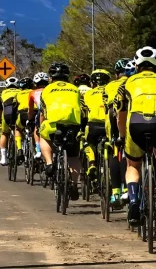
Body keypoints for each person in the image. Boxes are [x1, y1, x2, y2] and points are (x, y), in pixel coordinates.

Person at [115, 47, 156, 226]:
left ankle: (134, 201)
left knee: (133, 165)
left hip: (135, 124)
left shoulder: (126, 83)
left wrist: (121, 136)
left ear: (136, 64)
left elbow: (121, 114)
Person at [39, 63, 85, 199]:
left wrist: (40, 126)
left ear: (51, 78)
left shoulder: (46, 90)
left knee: (43, 136)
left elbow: (43, 112)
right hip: (73, 125)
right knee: (73, 156)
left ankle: (48, 163)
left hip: (53, 124)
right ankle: (74, 183)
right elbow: (82, 109)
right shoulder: (75, 89)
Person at [103, 59, 130, 209]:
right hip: (134, 117)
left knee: (116, 152)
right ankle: (129, 188)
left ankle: (115, 193)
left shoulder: (109, 87)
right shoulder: (135, 82)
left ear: (116, 74)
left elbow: (107, 108)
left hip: (115, 118)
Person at [81, 69, 111, 187]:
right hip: (108, 125)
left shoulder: (87, 94)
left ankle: (92, 163)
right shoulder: (110, 91)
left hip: (93, 125)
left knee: (88, 143)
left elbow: (83, 112)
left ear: (92, 82)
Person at [0, 77, 21, 166]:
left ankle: (3, 158)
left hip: (6, 115)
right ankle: (20, 150)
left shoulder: (2, 94)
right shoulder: (20, 92)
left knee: (5, 134)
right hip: (18, 115)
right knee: (19, 131)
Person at [29, 71, 50, 158]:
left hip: (40, 112)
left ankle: (38, 150)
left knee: (37, 130)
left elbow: (30, 109)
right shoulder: (50, 90)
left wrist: (29, 119)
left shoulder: (32, 92)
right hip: (52, 112)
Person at [12, 77, 33, 158]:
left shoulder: (18, 94)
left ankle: (20, 149)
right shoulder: (33, 92)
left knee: (17, 128)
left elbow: (14, 107)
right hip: (33, 113)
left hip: (22, 114)